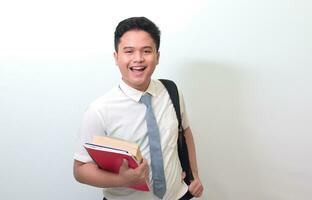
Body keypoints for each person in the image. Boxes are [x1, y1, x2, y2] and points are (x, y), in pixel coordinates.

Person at [73, 16, 203, 200]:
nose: (138, 59)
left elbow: (185, 131)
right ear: (116, 57)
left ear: (157, 56)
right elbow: (80, 170)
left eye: (147, 51)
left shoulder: (171, 91)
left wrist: (194, 175)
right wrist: (122, 179)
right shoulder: (99, 110)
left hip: (178, 195)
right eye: (129, 51)